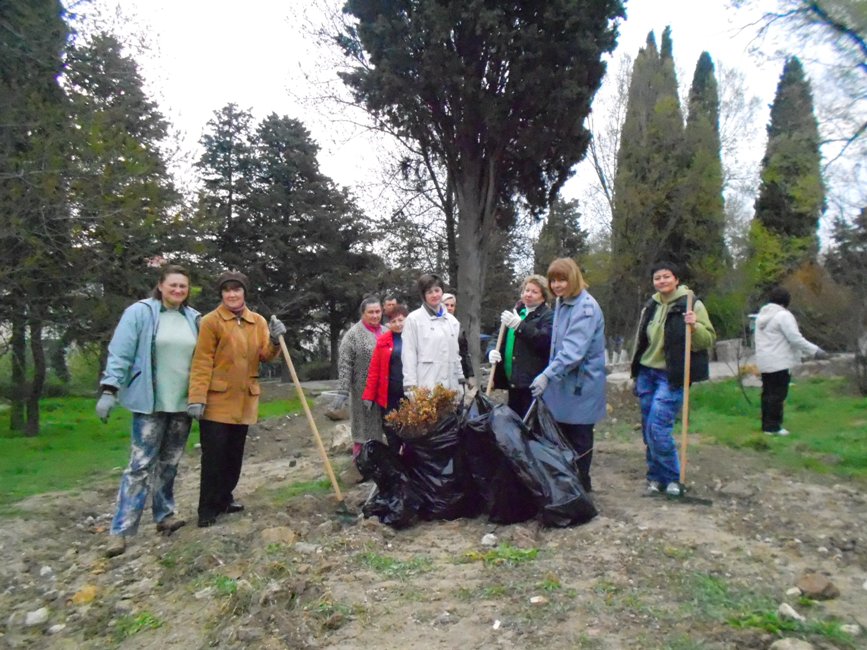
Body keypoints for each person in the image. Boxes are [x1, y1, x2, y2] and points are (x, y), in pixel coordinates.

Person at [97, 264, 201, 558]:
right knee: (140, 466)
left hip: (182, 404)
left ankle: (164, 515)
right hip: (149, 402)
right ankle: (121, 530)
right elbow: (121, 352)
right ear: (160, 285)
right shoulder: (140, 313)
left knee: (170, 463)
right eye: (173, 285)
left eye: (183, 286)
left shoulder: (193, 319)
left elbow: (204, 359)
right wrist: (109, 389)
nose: (178, 290)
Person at [187, 271, 286, 528]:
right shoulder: (211, 321)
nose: (232, 294)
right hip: (217, 400)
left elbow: (265, 355)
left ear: (244, 292)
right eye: (227, 290)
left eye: (236, 289)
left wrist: (275, 339)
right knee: (214, 456)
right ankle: (207, 508)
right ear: (221, 294)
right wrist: (196, 397)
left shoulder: (257, 321)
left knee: (234, 454)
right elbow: (202, 361)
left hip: (244, 399)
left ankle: (225, 498)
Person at [630, 261, 716, 497]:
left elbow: (707, 339)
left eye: (666, 276)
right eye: (657, 278)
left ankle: (672, 479)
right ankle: (655, 478)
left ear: (676, 279)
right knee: (649, 429)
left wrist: (694, 326)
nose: (662, 281)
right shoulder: (651, 305)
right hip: (647, 373)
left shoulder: (690, 304)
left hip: (672, 375)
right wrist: (634, 370)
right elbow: (641, 340)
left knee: (658, 428)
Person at [529, 259, 606, 493]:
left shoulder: (585, 308)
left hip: (581, 385)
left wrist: (547, 375)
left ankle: (581, 489)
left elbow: (573, 352)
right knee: (561, 438)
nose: (556, 285)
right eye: (553, 280)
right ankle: (566, 487)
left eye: (562, 279)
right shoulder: (564, 304)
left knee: (579, 438)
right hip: (563, 385)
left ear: (573, 279)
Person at [755, 286, 828, 436]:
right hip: (779, 361)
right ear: (786, 302)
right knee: (778, 395)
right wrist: (815, 351)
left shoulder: (761, 316)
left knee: (767, 394)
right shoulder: (783, 316)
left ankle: (766, 425)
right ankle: (774, 427)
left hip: (764, 361)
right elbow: (795, 338)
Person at [488, 274, 554, 418]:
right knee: (513, 426)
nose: (528, 294)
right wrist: (492, 350)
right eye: (526, 290)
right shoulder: (517, 312)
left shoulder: (547, 316)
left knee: (529, 427)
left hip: (532, 385)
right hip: (513, 383)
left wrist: (520, 326)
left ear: (543, 296)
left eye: (534, 292)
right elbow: (497, 337)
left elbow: (544, 341)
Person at [330, 295, 387, 455]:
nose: (375, 315)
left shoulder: (386, 331)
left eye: (378, 311)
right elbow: (345, 364)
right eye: (371, 312)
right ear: (363, 314)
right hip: (363, 391)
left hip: (386, 391)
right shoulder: (353, 335)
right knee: (364, 430)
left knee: (386, 430)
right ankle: (361, 464)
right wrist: (342, 391)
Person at [402, 273, 464, 394]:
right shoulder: (414, 319)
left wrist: (460, 381)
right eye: (429, 292)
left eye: (437, 290)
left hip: (451, 387)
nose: (434, 295)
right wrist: (410, 387)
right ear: (423, 295)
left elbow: (456, 354)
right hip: (426, 387)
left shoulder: (452, 322)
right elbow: (409, 355)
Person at [362, 303, 410, 449]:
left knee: (411, 429)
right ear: (388, 324)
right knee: (391, 430)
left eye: (401, 320)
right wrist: (369, 396)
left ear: (407, 319)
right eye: (393, 321)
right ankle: (396, 460)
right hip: (390, 395)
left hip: (410, 393)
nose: (397, 324)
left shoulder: (416, 338)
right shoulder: (383, 341)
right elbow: (374, 370)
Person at [441, 293, 476, 389]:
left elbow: (464, 352)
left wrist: (470, 375)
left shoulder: (458, 326)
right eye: (446, 305)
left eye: (452, 305)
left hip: (458, 372)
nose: (449, 308)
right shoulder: (433, 325)